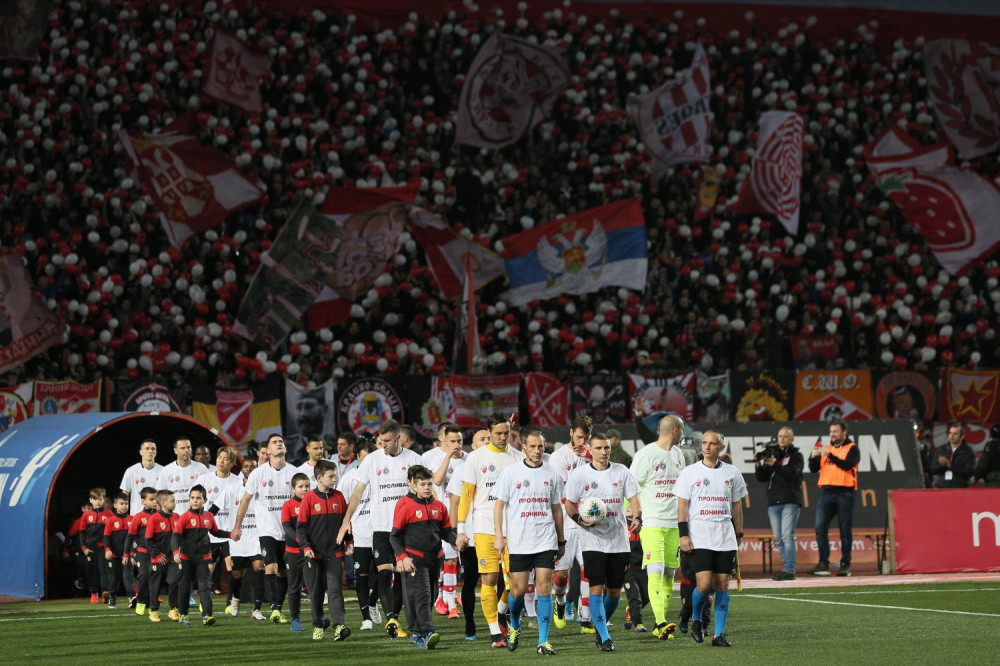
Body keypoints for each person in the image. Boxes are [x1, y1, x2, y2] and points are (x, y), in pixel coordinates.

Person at [337, 419, 423, 639]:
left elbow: (425, 490)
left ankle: (405, 618)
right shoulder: (372, 461)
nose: (382, 445)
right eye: (380, 441)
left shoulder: (414, 459)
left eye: (387, 441)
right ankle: (392, 619)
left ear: (398, 438)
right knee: (384, 573)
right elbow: (357, 493)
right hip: (381, 528)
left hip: (408, 529)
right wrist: (347, 519)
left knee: (403, 575)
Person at [564, 432, 642, 652]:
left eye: (606, 448)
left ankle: (599, 628)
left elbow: (634, 498)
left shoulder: (621, 471)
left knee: (615, 593)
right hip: (592, 541)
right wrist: (578, 519)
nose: (603, 452)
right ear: (590, 450)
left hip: (618, 540)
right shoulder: (580, 474)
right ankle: (605, 637)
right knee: (596, 589)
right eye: (598, 448)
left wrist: (637, 518)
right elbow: (569, 503)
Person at [493, 427, 565, 656]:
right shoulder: (511, 473)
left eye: (540, 446)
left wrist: (561, 540)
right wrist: (498, 536)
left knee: (544, 587)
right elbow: (499, 505)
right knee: (518, 591)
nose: (537, 450)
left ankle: (543, 641)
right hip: (519, 541)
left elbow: (557, 509)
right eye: (532, 446)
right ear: (523, 447)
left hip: (546, 539)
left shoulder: (552, 474)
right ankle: (515, 624)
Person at [458, 412, 527, 648]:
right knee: (489, 577)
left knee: (516, 584)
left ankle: (500, 611)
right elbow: (467, 494)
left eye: (506, 433)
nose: (502, 437)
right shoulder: (476, 458)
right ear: (489, 433)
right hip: (484, 526)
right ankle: (495, 632)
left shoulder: (518, 458)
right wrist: (460, 529)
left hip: (514, 528)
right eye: (498, 433)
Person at [675, 430, 747, 648]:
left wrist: (738, 533)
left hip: (725, 536)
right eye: (704, 443)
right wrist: (684, 535)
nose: (706, 447)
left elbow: (736, 505)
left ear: (721, 448)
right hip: (700, 536)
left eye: (712, 443)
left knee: (723, 585)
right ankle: (696, 619)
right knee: (705, 585)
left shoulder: (732, 472)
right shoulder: (689, 472)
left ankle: (718, 635)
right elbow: (682, 506)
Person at [390, 465, 467, 648]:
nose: (427, 487)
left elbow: (446, 532)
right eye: (422, 484)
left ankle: (416, 632)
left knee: (430, 597)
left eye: (429, 484)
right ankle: (428, 631)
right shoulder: (406, 506)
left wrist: (457, 541)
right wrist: (402, 557)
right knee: (422, 596)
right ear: (413, 486)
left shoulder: (439, 507)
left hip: (435, 558)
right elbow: (394, 535)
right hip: (415, 559)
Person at [628, 413, 686, 640]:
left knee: (670, 574)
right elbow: (630, 486)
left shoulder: (679, 454)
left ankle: (657, 622)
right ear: (676, 431)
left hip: (674, 525)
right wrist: (632, 515)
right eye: (681, 430)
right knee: (656, 570)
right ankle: (661, 622)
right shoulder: (646, 455)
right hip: (652, 523)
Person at [231, 433, 297, 623]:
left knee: (284, 572)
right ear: (267, 451)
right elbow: (245, 501)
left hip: (288, 531)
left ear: (285, 448)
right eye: (275, 442)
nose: (279, 444)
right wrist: (237, 526)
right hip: (267, 531)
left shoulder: (293, 472)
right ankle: (275, 609)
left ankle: (279, 607)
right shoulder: (258, 474)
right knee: (271, 567)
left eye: (281, 442)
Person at [298, 459, 352, 641]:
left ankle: (339, 626)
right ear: (319, 478)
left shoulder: (339, 497)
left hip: (335, 553)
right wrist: (305, 547)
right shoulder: (309, 498)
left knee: (336, 591)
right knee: (317, 592)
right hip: (314, 554)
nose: (334, 479)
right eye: (330, 476)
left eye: (335, 475)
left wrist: (349, 541)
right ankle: (318, 625)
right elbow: (301, 527)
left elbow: (346, 523)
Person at [550, 415, 594, 632]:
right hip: (566, 524)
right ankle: (560, 602)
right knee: (561, 576)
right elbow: (563, 492)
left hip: (587, 524)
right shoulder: (558, 457)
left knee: (588, 571)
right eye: (578, 437)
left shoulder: (592, 455)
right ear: (570, 433)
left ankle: (585, 618)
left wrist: (590, 456)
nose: (581, 443)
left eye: (585, 438)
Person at [447, 428, 489, 640]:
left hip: (493, 534)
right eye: (482, 439)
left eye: (489, 438)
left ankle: (501, 620)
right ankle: (470, 623)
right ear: (472, 446)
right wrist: (456, 533)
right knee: (471, 580)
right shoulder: (463, 469)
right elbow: (454, 502)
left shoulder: (500, 466)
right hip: (471, 536)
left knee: (498, 580)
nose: (486, 441)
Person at [422, 422, 467, 618]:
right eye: (453, 441)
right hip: (440, 516)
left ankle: (449, 601)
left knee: (452, 560)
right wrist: (448, 456)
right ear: (444, 440)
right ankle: (441, 597)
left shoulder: (469, 459)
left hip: (462, 516)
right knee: (441, 560)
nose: (457, 445)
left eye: (459, 441)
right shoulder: (434, 458)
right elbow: (437, 481)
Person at [337, 432, 380, 630]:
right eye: (365, 457)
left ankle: (372, 602)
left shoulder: (382, 476)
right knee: (361, 575)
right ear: (358, 457)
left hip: (381, 532)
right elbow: (343, 508)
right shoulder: (348, 479)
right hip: (361, 535)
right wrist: (349, 538)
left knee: (384, 574)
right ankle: (365, 618)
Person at [172, 484, 231, 626]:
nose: (195, 500)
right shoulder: (184, 517)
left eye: (198, 498)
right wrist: (175, 552)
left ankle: (207, 616)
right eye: (192, 498)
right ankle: (183, 615)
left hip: (204, 559)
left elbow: (216, 532)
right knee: (186, 587)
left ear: (204, 500)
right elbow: (175, 537)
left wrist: (230, 534)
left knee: (205, 588)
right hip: (186, 558)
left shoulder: (209, 516)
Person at [808, 419, 859, 577]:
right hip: (827, 493)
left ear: (844, 432)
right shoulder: (826, 448)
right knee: (820, 528)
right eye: (830, 432)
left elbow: (847, 465)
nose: (832, 434)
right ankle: (823, 564)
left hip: (845, 493)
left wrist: (829, 454)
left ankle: (845, 564)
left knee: (845, 530)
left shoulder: (852, 448)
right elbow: (813, 469)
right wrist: (813, 457)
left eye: (835, 431)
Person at [754, 426, 804, 580]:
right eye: (780, 436)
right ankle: (786, 568)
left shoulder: (796, 455)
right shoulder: (773, 454)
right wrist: (758, 464)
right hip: (773, 502)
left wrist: (775, 464)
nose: (782, 438)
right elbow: (762, 478)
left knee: (787, 535)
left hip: (790, 500)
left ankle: (789, 570)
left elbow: (793, 474)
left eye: (785, 436)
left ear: (792, 439)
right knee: (778, 538)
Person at [223, 457, 267, 620]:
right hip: (239, 537)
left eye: (252, 466)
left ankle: (256, 609)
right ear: (241, 470)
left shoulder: (262, 488)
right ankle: (235, 598)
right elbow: (217, 507)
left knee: (259, 567)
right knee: (236, 575)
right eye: (246, 466)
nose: (249, 469)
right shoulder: (232, 488)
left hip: (257, 535)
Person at [281, 472, 311, 633]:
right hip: (293, 553)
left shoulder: (314, 503)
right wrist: (303, 542)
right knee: (294, 587)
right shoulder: (288, 505)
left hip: (311, 553)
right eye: (300, 487)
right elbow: (287, 529)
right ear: (293, 488)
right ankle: (295, 619)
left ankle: (318, 617)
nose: (305, 489)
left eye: (307, 486)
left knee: (314, 586)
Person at [145, 489, 180, 622]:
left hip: (173, 558)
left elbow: (180, 537)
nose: (175, 503)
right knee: (156, 585)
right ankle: (153, 611)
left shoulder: (177, 517)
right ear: (164, 503)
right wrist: (157, 554)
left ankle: (173, 609)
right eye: (172, 501)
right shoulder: (154, 518)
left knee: (174, 581)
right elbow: (148, 539)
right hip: (158, 558)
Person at [155, 437, 209, 515]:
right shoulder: (166, 470)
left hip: (197, 517)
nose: (186, 450)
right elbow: (160, 497)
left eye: (188, 447)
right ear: (175, 451)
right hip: (173, 518)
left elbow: (209, 493)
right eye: (182, 448)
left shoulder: (201, 469)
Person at [128, 486, 159, 616]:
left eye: (155, 499)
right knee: (144, 576)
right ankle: (140, 602)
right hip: (141, 552)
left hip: (156, 552)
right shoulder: (138, 517)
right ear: (143, 501)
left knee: (154, 578)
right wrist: (129, 554)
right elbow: (130, 537)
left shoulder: (159, 516)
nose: (154, 502)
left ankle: (150, 604)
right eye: (151, 499)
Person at [102, 492, 133, 610]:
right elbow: (106, 537)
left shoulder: (132, 519)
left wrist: (133, 553)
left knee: (128, 576)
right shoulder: (110, 521)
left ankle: (131, 598)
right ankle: (112, 597)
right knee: (114, 578)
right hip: (114, 555)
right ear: (115, 505)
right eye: (122, 504)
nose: (125, 506)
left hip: (127, 555)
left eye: (126, 503)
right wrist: (107, 550)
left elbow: (135, 537)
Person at [81, 487, 111, 604]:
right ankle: (94, 593)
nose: (98, 502)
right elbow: (82, 532)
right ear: (91, 500)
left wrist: (109, 547)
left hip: (103, 547)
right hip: (90, 548)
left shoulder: (109, 514)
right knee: (92, 571)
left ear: (104, 500)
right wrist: (84, 548)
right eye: (95, 499)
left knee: (104, 570)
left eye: (100, 499)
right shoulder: (86, 515)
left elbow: (111, 532)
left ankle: (105, 592)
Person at [120, 439, 162, 516]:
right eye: (147, 448)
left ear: (156, 452)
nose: (150, 451)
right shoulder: (131, 471)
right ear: (141, 452)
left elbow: (167, 494)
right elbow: (124, 495)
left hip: (158, 516)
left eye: (153, 449)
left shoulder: (163, 471)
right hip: (137, 516)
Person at [929, 422, 976, 489]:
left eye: (955, 434)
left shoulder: (968, 452)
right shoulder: (941, 449)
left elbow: (970, 472)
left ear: (962, 436)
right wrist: (942, 465)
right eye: (950, 433)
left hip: (960, 489)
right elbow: (932, 469)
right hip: (942, 488)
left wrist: (951, 466)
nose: (951, 436)